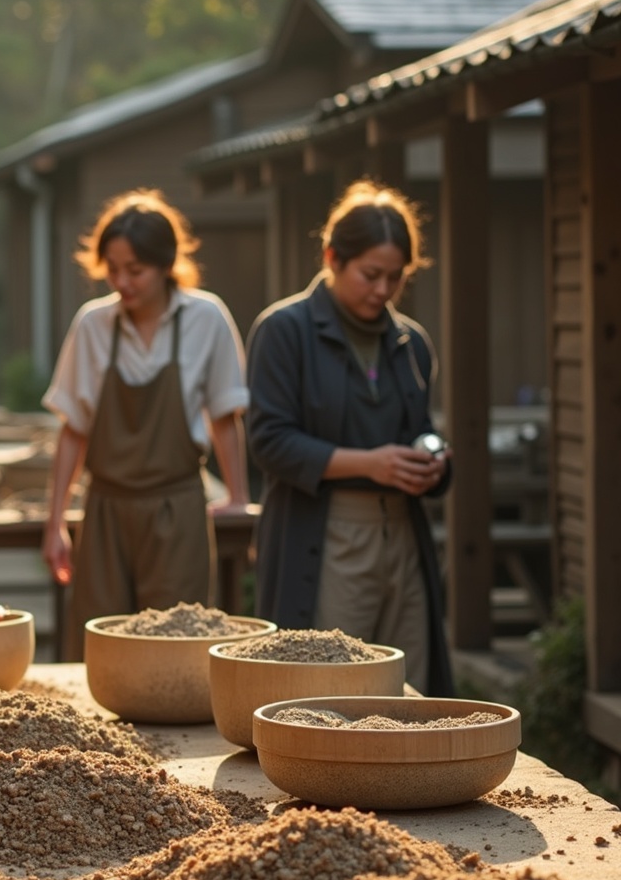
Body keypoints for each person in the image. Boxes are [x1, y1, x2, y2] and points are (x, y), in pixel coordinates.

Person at [244, 180, 454, 695]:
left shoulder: (411, 343)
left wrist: (434, 460)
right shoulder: (283, 330)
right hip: (327, 532)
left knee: (410, 683)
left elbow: (420, 429)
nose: (382, 290)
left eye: (395, 279)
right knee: (329, 687)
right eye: (370, 275)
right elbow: (269, 441)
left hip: (402, 532)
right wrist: (369, 463)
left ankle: (411, 778)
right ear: (332, 257)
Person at [42, 189, 250, 662]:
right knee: (99, 642)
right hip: (105, 512)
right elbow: (73, 429)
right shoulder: (93, 325)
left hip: (178, 508)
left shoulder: (206, 317)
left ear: (166, 263)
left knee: (178, 645)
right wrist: (55, 524)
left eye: (134, 270)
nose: (121, 281)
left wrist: (237, 497)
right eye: (112, 270)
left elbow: (224, 416)